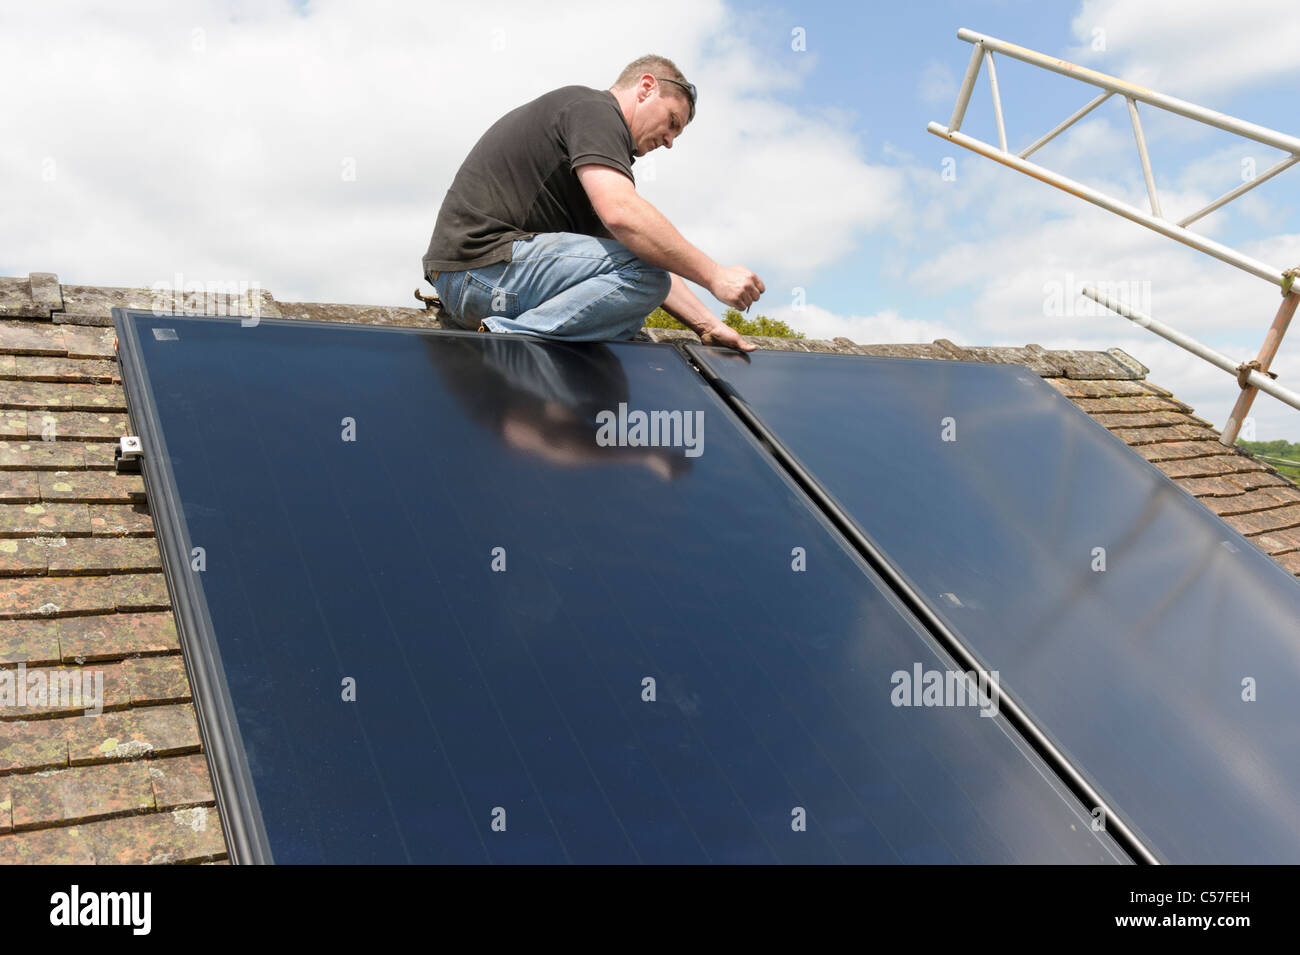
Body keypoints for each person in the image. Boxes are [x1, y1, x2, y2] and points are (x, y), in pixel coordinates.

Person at [421, 54, 762, 351]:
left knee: (623, 315)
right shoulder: (594, 110)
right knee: (645, 279)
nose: (670, 140)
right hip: (480, 272)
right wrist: (715, 275)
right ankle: (507, 347)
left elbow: (643, 248)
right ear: (646, 87)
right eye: (672, 122)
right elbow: (623, 215)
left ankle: (524, 360)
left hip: (474, 281)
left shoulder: (593, 153)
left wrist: (707, 325)